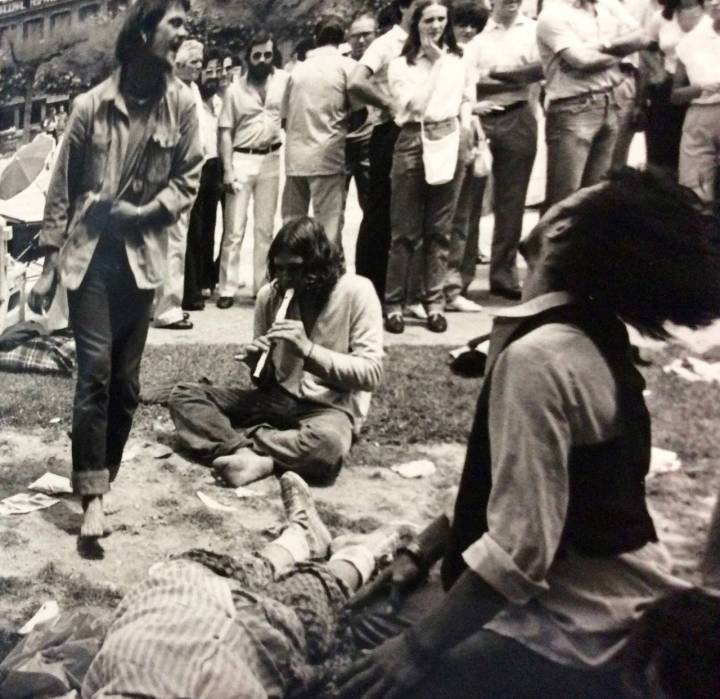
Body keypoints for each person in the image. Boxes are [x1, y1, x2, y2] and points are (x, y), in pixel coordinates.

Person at [333, 168, 720, 698]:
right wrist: (421, 550)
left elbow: (520, 549)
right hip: (608, 595)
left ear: (563, 232)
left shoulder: (540, 358)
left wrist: (413, 651)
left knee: (359, 646)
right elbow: (529, 488)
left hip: (575, 628)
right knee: (384, 610)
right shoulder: (585, 335)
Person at [28, 0, 202, 539]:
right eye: (175, 23)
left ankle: (105, 474)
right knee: (96, 373)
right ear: (145, 31)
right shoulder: (89, 106)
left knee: (126, 387)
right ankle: (93, 497)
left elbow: (189, 178)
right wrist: (49, 266)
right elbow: (59, 192)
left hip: (143, 262)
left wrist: (144, 212)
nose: (184, 32)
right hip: (90, 260)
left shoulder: (183, 106)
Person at [81, 471, 414, 698]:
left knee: (311, 596)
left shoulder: (217, 685)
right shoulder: (102, 675)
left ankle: (361, 555)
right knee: (256, 571)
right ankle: (300, 539)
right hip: (183, 588)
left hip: (231, 620)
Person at [168, 217, 383, 487]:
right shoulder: (269, 296)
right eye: (278, 269)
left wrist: (309, 351)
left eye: (294, 269)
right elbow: (264, 382)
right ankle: (246, 453)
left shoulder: (356, 291)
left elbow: (371, 374)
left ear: (318, 265)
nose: (284, 279)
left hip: (329, 408)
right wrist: (259, 366)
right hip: (276, 399)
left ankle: (255, 454)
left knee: (328, 445)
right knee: (185, 395)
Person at [382, 0, 474, 335]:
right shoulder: (401, 65)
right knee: (404, 231)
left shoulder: (460, 58)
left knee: (439, 230)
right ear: (416, 23)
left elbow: (467, 98)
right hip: (412, 139)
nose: (434, 26)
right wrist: (435, 66)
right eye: (428, 20)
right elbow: (414, 106)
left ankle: (433, 302)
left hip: (450, 138)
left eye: (440, 20)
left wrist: (468, 135)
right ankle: (394, 304)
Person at [537, 0, 648, 209]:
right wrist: (623, 53)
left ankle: (582, 243)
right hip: (573, 108)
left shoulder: (609, 7)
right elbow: (580, 61)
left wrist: (602, 46)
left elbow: (643, 36)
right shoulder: (553, 15)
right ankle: (548, 243)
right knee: (564, 198)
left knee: (596, 196)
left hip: (609, 102)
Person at [466, 0, 542, 301]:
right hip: (478, 117)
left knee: (512, 202)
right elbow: (466, 80)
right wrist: (514, 76)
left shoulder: (535, 30)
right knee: (469, 201)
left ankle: (503, 274)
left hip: (519, 114)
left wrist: (491, 75)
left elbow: (539, 70)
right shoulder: (476, 30)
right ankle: (459, 277)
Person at [216, 30, 290, 308]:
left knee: (265, 228)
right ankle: (227, 288)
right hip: (241, 159)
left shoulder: (284, 82)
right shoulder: (235, 90)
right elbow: (225, 131)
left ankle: (262, 288)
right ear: (248, 57)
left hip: (271, 158)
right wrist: (227, 170)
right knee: (234, 229)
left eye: (267, 55)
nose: (262, 60)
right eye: (256, 55)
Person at [350, 0, 415, 302]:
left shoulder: (429, 43)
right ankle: (370, 286)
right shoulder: (386, 43)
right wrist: (388, 103)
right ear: (404, 7)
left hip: (422, 132)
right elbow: (356, 82)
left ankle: (404, 288)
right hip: (389, 132)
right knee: (380, 212)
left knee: (412, 215)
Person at [281, 16, 357, 247]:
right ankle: (324, 277)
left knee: (293, 225)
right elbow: (360, 114)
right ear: (342, 40)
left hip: (296, 158)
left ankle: (292, 274)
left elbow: (284, 118)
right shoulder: (348, 67)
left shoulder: (297, 71)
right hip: (328, 156)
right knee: (327, 228)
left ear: (315, 39)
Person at [152, 37, 204, 331]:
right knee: (172, 243)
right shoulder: (174, 94)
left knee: (164, 243)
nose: (198, 67)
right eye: (193, 61)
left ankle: (156, 304)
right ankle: (167, 308)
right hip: (172, 176)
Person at [442, 0, 489, 313]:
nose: (469, 30)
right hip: (443, 137)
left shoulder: (471, 52)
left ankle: (451, 287)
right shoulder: (439, 54)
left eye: (475, 25)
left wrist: (478, 131)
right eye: (463, 23)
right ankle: (434, 287)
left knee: (463, 216)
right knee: (442, 217)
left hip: (467, 133)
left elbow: (469, 100)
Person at [181, 48, 224, 311]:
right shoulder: (184, 91)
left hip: (212, 163)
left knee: (209, 227)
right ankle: (191, 290)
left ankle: (205, 279)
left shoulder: (207, 96)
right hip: (192, 166)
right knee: (192, 231)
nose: (211, 74)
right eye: (198, 63)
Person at [645, 0, 704, 176]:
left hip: (704, 88)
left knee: (699, 152)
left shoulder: (712, 13)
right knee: (663, 150)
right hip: (669, 87)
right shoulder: (662, 17)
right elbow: (645, 47)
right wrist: (657, 70)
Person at [672, 0, 720, 209]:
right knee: (695, 193)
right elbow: (675, 95)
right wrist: (703, 88)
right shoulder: (690, 42)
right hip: (699, 118)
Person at [345, 14, 378, 215]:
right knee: (334, 208)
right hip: (343, 143)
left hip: (372, 143)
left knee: (373, 204)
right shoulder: (342, 65)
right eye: (355, 36)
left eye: (366, 34)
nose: (361, 40)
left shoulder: (385, 64)